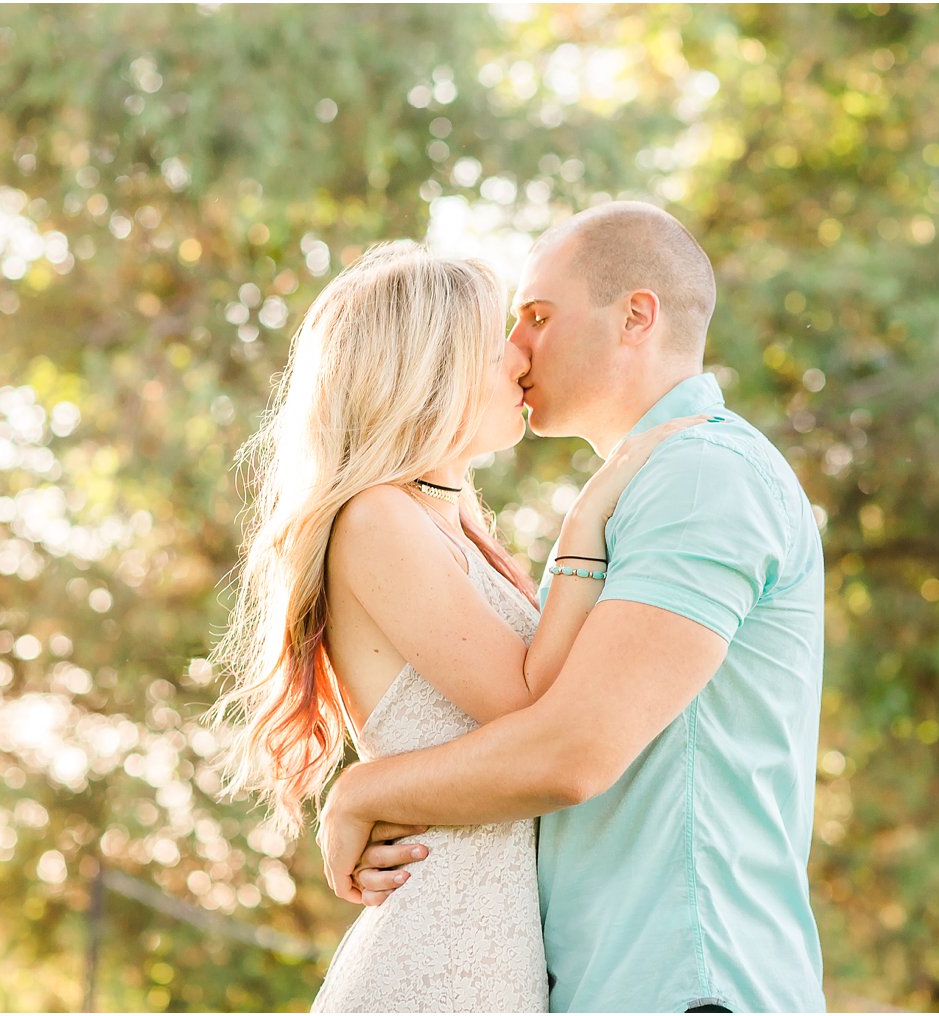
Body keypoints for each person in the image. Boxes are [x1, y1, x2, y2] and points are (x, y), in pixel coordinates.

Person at [318, 202, 828, 1013]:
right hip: (588, 979)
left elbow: (570, 750)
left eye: (538, 318)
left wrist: (363, 792)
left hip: (682, 982)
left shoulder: (699, 476)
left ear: (636, 317)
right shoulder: (639, 492)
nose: (518, 350)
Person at [201, 240, 706, 1012]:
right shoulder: (378, 518)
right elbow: (529, 703)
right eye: (495, 340)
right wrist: (588, 517)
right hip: (445, 951)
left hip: (497, 937)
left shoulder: (450, 517)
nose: (519, 359)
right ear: (430, 369)